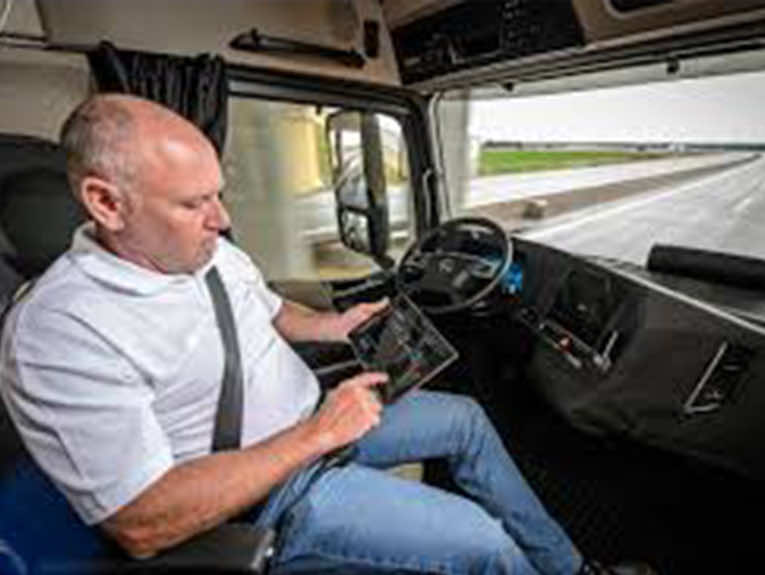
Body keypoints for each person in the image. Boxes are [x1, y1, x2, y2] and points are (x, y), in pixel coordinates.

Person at [0, 95, 653, 575]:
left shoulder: (202, 250)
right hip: (262, 496)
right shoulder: (61, 332)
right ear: (107, 203)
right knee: (480, 541)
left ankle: (568, 568)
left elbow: (263, 306)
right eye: (193, 203)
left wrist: (331, 326)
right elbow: (142, 521)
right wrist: (319, 434)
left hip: (310, 420)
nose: (221, 218)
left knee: (466, 419)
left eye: (217, 194)